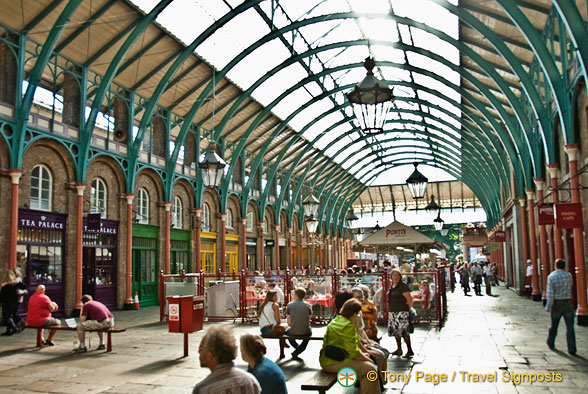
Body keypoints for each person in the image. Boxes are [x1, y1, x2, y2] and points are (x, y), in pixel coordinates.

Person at [319, 298, 380, 394]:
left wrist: (366, 353)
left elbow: (355, 341)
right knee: (370, 370)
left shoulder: (338, 320)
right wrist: (369, 359)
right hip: (334, 362)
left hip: (328, 359)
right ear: (355, 314)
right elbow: (354, 353)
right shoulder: (347, 326)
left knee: (369, 366)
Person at [193, 327, 261, 394]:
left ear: (209, 356)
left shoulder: (203, 389)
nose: (198, 351)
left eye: (201, 348)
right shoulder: (251, 382)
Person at [545, 259, 576, 355]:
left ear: (555, 265)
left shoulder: (551, 277)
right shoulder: (569, 276)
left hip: (557, 303)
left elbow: (550, 293)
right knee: (570, 327)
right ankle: (572, 348)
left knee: (554, 325)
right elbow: (570, 286)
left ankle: (551, 342)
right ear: (564, 266)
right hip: (568, 302)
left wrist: (548, 305)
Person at [387, 268, 414, 358]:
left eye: (397, 275)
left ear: (400, 276)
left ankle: (409, 350)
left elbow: (409, 299)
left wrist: (408, 310)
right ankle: (399, 349)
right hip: (393, 312)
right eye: (394, 275)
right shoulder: (392, 285)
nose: (395, 277)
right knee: (395, 331)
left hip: (401, 311)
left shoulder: (403, 286)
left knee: (403, 331)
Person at [285, 287, 312, 359]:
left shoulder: (289, 305)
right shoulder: (308, 305)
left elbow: (289, 322)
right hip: (305, 330)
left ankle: (297, 348)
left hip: (293, 330)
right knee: (309, 333)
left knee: (286, 332)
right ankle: (298, 350)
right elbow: (309, 320)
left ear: (296, 295)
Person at [1, 270, 26, 335]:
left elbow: (2, 295)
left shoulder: (4, 285)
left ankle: (14, 328)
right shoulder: (16, 284)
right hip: (14, 302)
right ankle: (9, 331)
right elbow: (24, 289)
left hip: (7, 302)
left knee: (7, 317)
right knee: (11, 316)